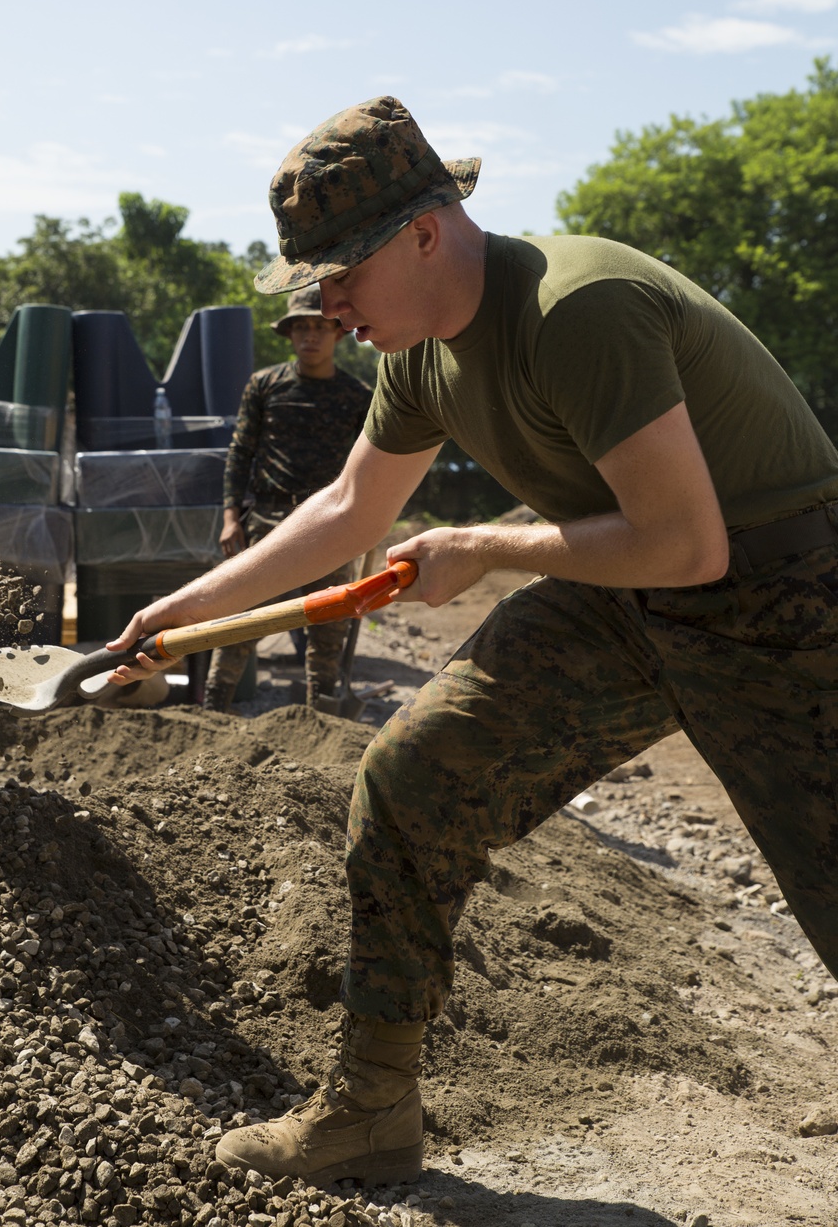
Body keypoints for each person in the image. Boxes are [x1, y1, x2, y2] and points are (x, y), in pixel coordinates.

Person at [108, 95, 838, 1190]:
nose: (328, 303)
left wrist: (489, 545)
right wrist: (187, 608)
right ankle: (370, 1110)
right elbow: (353, 508)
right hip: (622, 587)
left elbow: (689, 542)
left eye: (342, 272)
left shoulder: (574, 307)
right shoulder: (419, 351)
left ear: (425, 230)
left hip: (785, 593)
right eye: (313, 281)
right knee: (411, 783)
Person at [203, 283, 373, 712]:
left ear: (336, 333)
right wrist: (230, 516)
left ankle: (321, 716)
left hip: (332, 521)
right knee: (242, 617)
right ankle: (213, 710)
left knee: (329, 622)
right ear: (290, 334)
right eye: (300, 328)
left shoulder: (357, 397)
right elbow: (240, 452)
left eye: (318, 327)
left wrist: (368, 523)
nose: (309, 337)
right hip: (269, 516)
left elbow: (371, 467)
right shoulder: (265, 386)